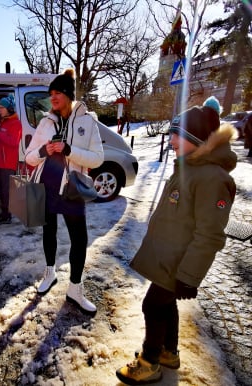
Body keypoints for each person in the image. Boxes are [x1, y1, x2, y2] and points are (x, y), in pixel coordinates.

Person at [116, 96, 237, 385]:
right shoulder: (188, 167)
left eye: (176, 136)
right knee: (165, 305)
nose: (171, 142)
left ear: (196, 139)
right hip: (168, 258)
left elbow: (209, 235)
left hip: (179, 262)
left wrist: (189, 276)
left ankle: (149, 362)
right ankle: (168, 352)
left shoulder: (212, 178)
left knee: (153, 306)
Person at [24, 69, 104, 314]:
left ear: (69, 94)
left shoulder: (88, 121)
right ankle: (50, 273)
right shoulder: (46, 122)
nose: (53, 97)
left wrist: (69, 150)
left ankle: (75, 289)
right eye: (51, 93)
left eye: (57, 92)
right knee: (49, 230)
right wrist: (43, 152)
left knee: (79, 238)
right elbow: (29, 157)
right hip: (48, 185)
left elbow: (98, 159)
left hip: (73, 188)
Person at [0, 94, 22, 225]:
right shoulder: (2, 121)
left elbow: (14, 142)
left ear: (9, 109)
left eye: (2, 108)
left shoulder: (15, 123)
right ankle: (3, 213)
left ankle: (7, 216)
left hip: (7, 163)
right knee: (0, 189)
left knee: (6, 191)